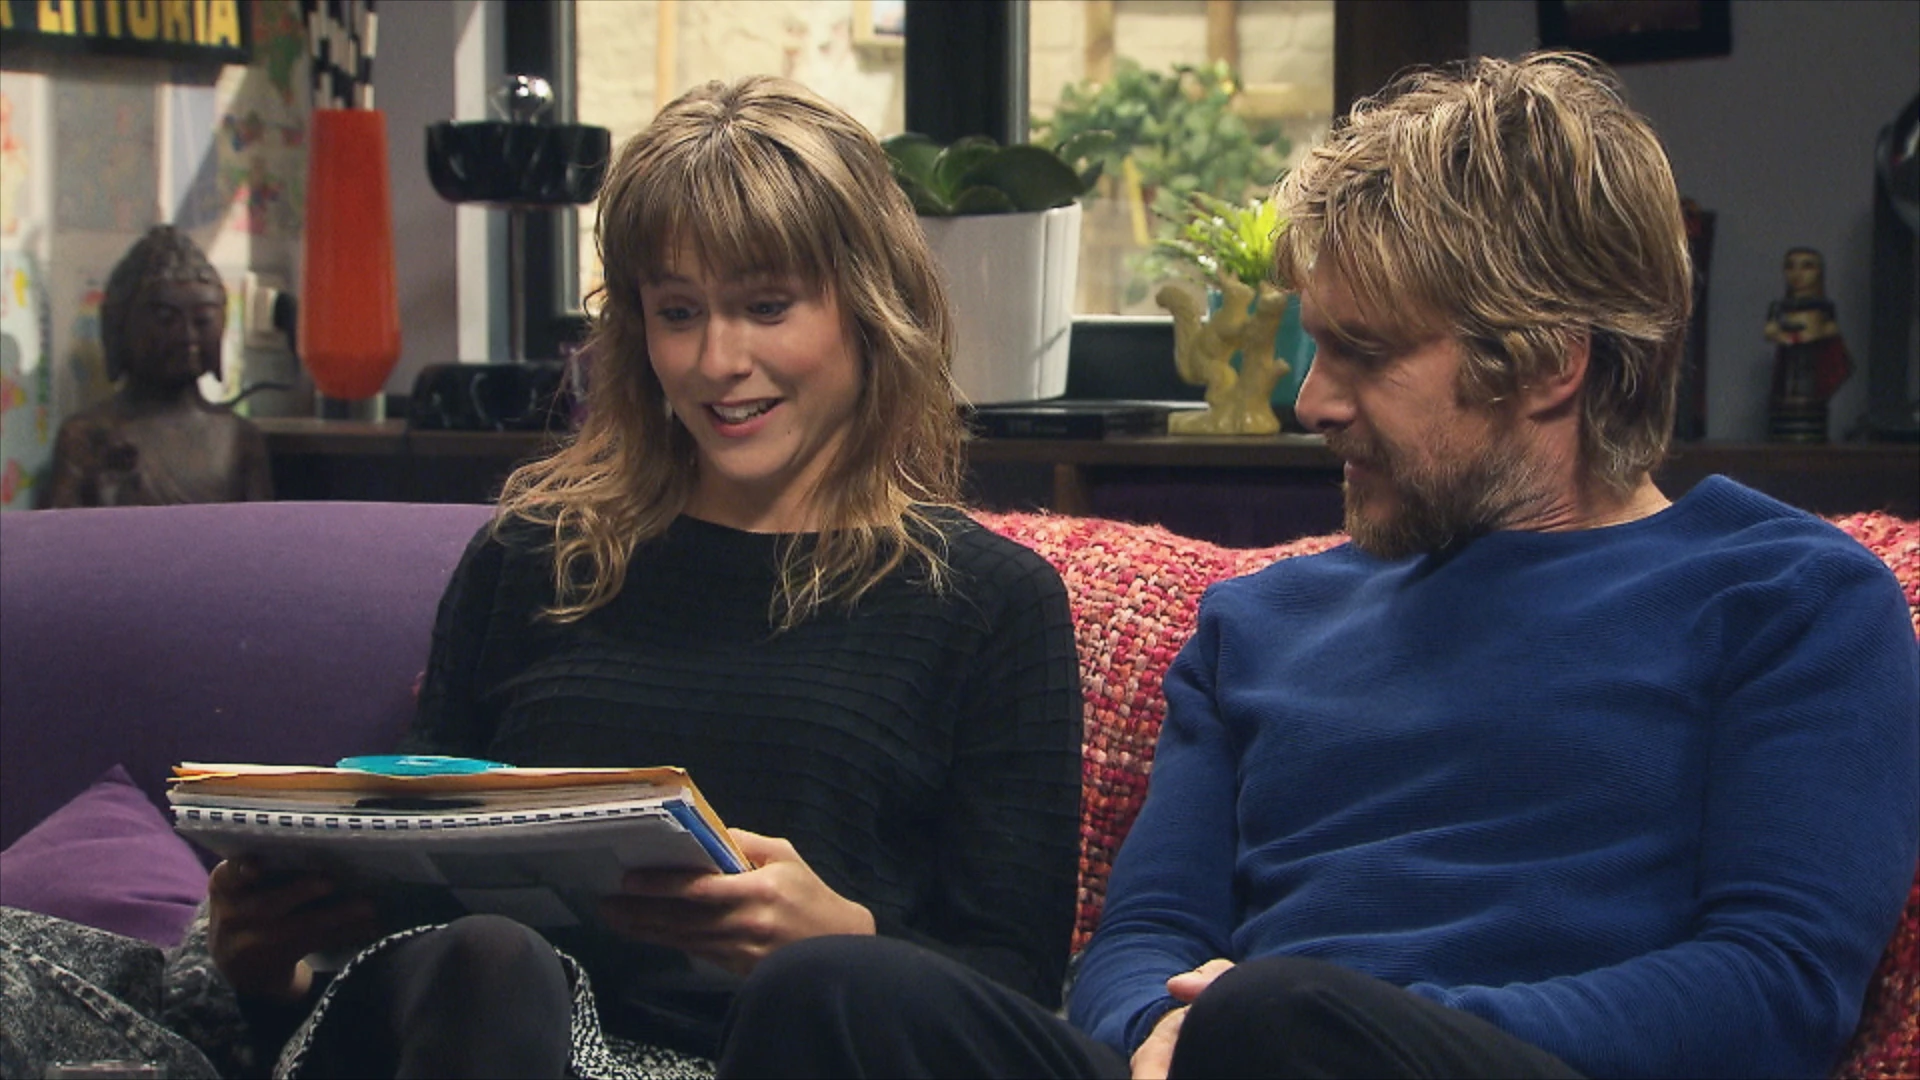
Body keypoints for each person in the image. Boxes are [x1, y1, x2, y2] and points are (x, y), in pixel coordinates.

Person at [713, 52, 1920, 1079]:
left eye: (1363, 352)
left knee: (1278, 1018)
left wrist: (1320, 1027)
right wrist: (1159, 1036)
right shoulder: (1260, 622)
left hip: (1462, 1059)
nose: (1311, 401)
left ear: (1552, 360)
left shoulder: (1789, 598)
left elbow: (1774, 985)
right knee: (832, 993)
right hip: (1232, 1047)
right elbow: (1141, 942)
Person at [183, 76, 1084, 1078]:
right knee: (489, 960)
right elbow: (411, 898)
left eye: (767, 307)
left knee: (809, 986)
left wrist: (847, 939)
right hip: (491, 1038)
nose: (717, 360)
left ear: (873, 308)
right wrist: (268, 969)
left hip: (784, 1050)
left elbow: (1014, 992)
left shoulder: (989, 603)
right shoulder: (531, 559)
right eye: (678, 312)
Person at [43, 224, 272, 507]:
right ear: (120, 325)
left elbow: (260, 531)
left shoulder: (239, 438)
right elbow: (56, 530)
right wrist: (108, 489)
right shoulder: (88, 436)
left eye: (202, 321)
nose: (187, 336)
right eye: (166, 319)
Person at [1764, 246, 1852, 442]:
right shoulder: (1779, 306)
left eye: (1807, 266)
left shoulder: (1824, 306)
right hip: (1789, 357)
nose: (1797, 273)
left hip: (1812, 359)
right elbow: (1770, 330)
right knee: (1788, 387)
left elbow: (1831, 330)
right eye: (1790, 266)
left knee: (1810, 387)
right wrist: (1787, 337)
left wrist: (1811, 334)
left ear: (1819, 272)